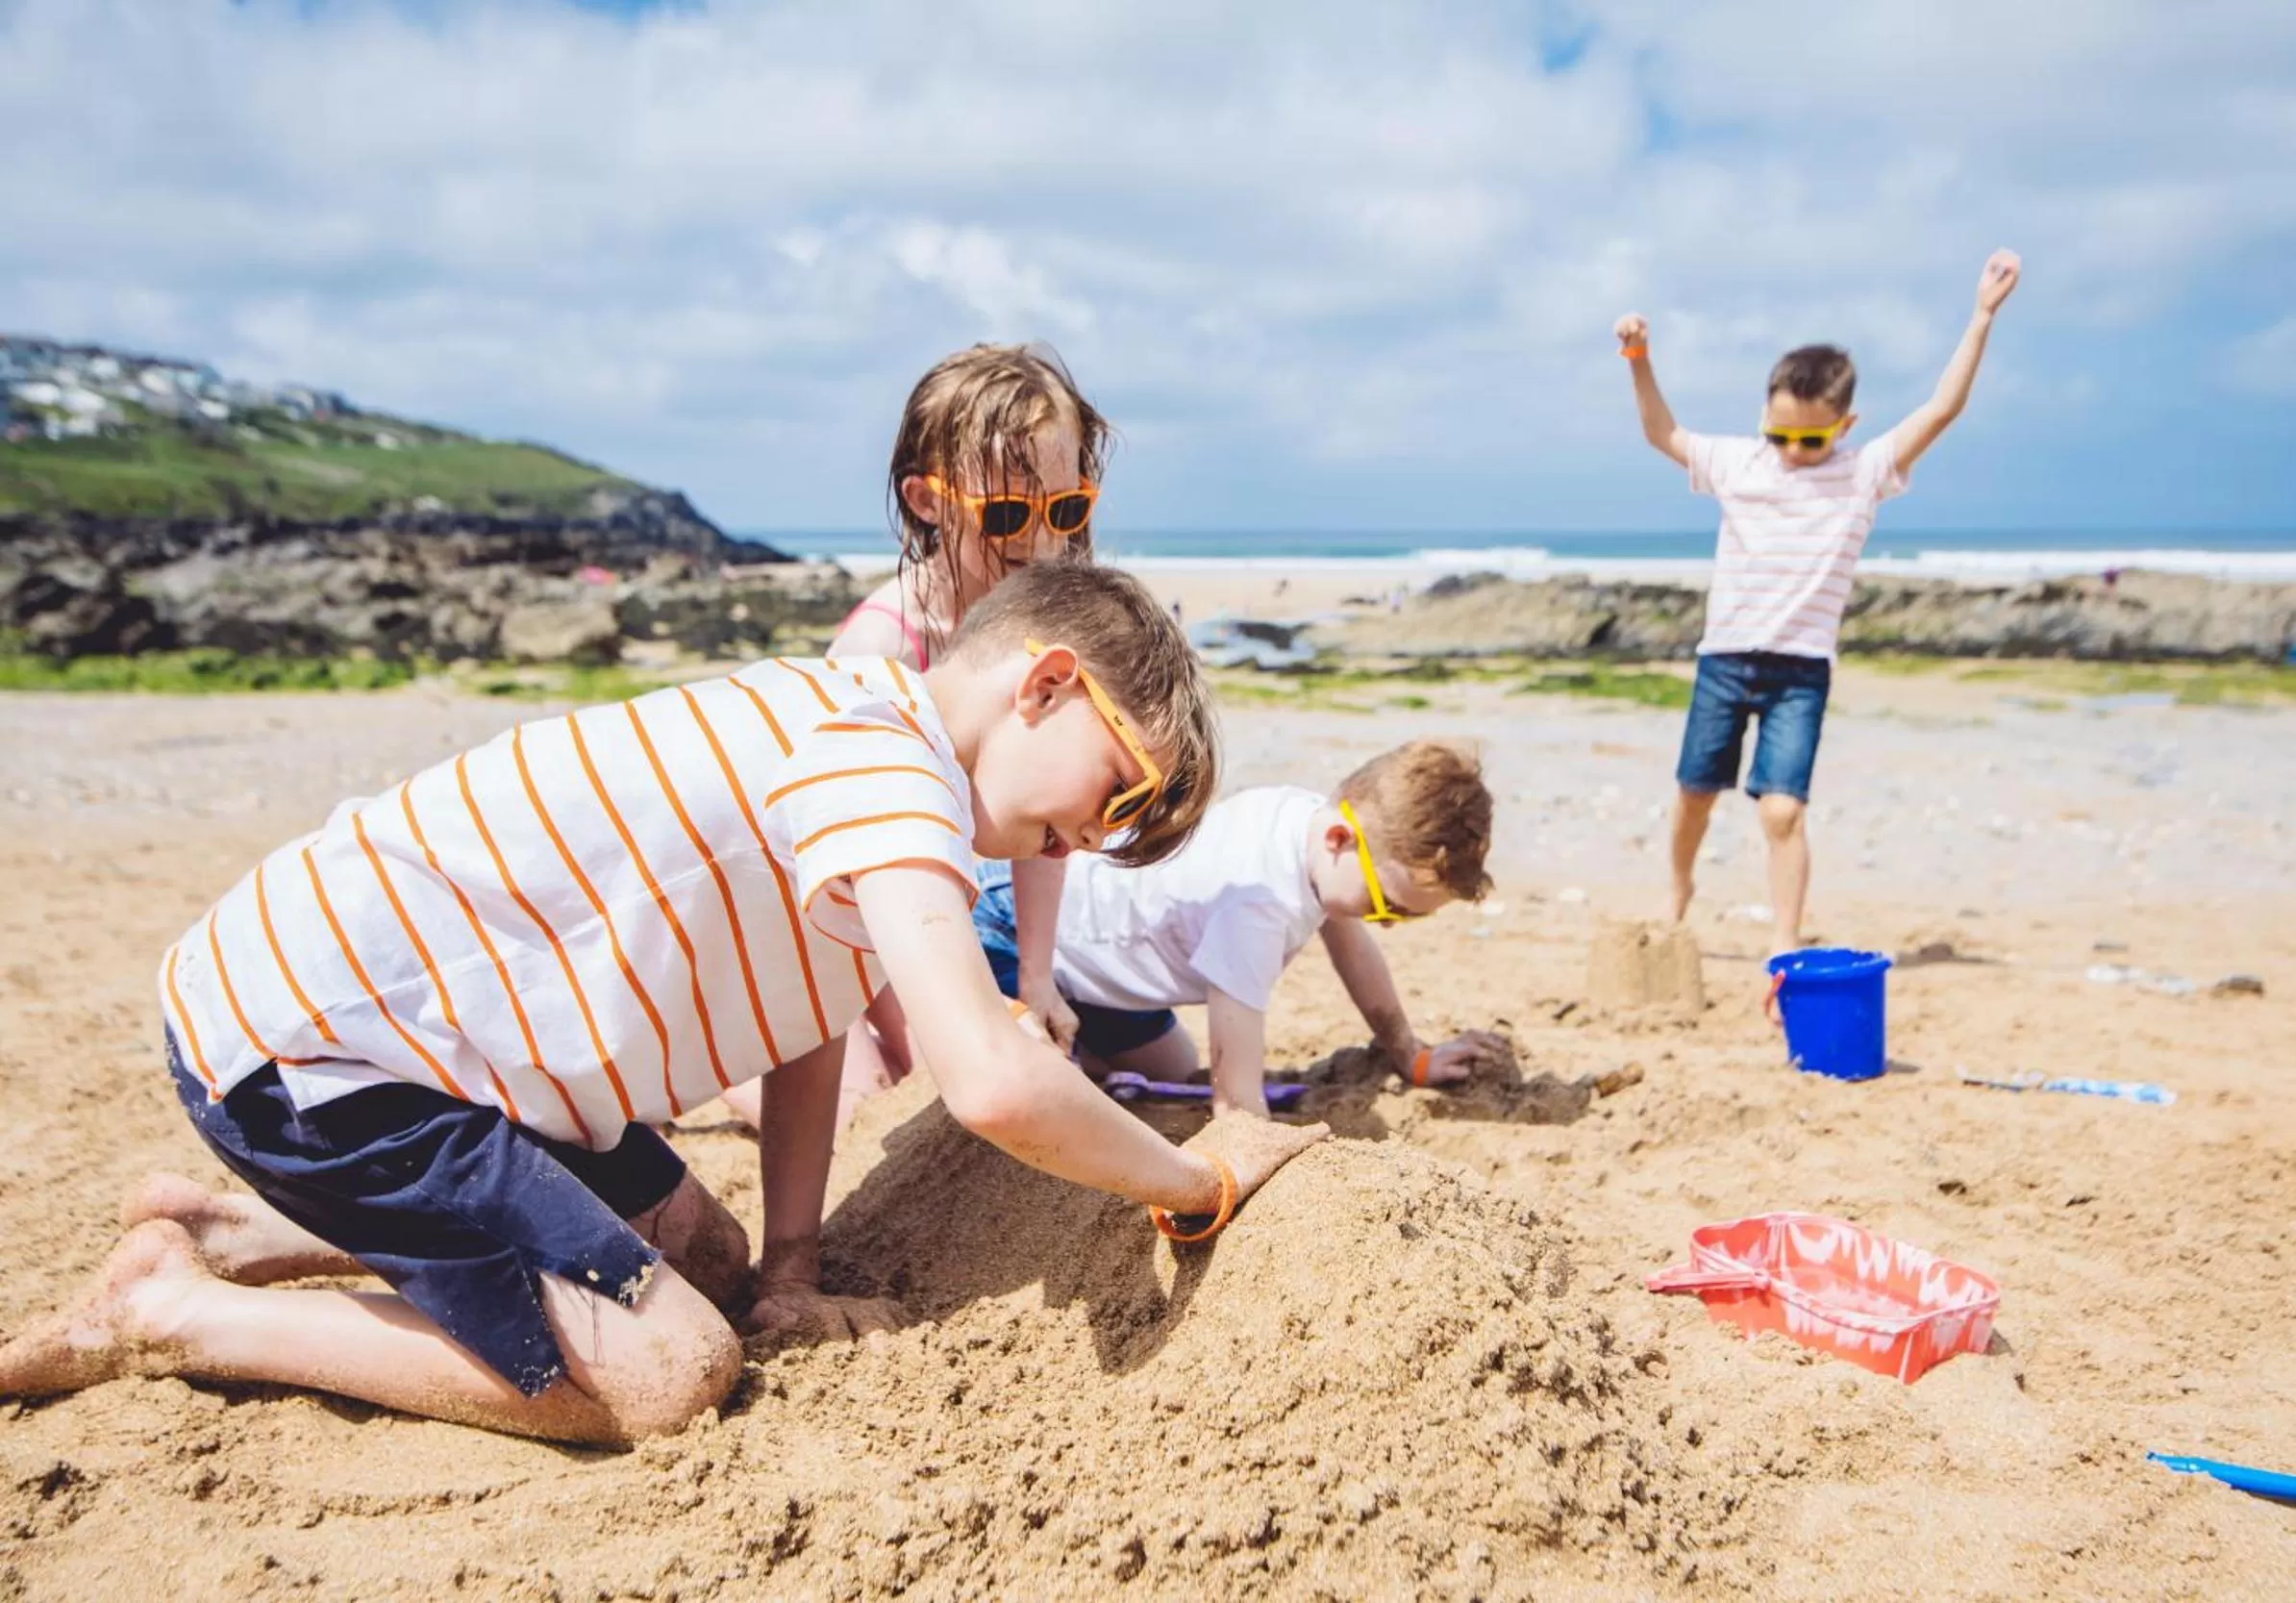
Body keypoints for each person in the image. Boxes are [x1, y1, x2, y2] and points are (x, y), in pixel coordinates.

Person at [0, 564, 1325, 1445]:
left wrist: (795, 1270)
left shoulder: (872, 750)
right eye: (1123, 786)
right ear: (1042, 683)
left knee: (717, 1262)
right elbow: (986, 1079)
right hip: (317, 1047)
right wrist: (1194, 1176)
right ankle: (175, 1308)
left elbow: (809, 1020)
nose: (1100, 833)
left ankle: (236, 1229)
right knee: (668, 1373)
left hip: (456, 1050)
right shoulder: (886, 765)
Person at [1615, 249, 2022, 955]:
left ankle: (1785, 941)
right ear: (1762, 419)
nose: (1793, 450)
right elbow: (1662, 433)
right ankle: (1678, 888)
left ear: (1845, 424)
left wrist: (1981, 317)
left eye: (1810, 437)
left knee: (1782, 812)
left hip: (1800, 672)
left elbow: (1943, 407)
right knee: (1693, 793)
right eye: (1780, 434)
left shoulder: (1864, 473)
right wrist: (1640, 358)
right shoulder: (1740, 463)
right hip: (1724, 660)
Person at [743, 343, 1109, 1128]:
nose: (1043, 544)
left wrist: (1037, 978)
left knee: (1058, 1047)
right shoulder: (879, 652)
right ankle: (735, 1080)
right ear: (927, 501)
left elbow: (1040, 834)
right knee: (880, 1100)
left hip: (937, 893)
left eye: (1067, 509)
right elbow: (833, 863)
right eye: (1009, 515)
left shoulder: (1036, 624)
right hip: (819, 910)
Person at [972, 740, 1508, 1115]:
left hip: (1107, 969)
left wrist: (1410, 1055)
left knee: (1174, 1070)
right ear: (1340, 839)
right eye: (1385, 905)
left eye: (1406, 916)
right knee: (1049, 1087)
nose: (1387, 924)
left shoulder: (1308, 824)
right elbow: (1235, 1102)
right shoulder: (1258, 904)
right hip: (1014, 925)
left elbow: (1352, 949)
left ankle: (1083, 1048)